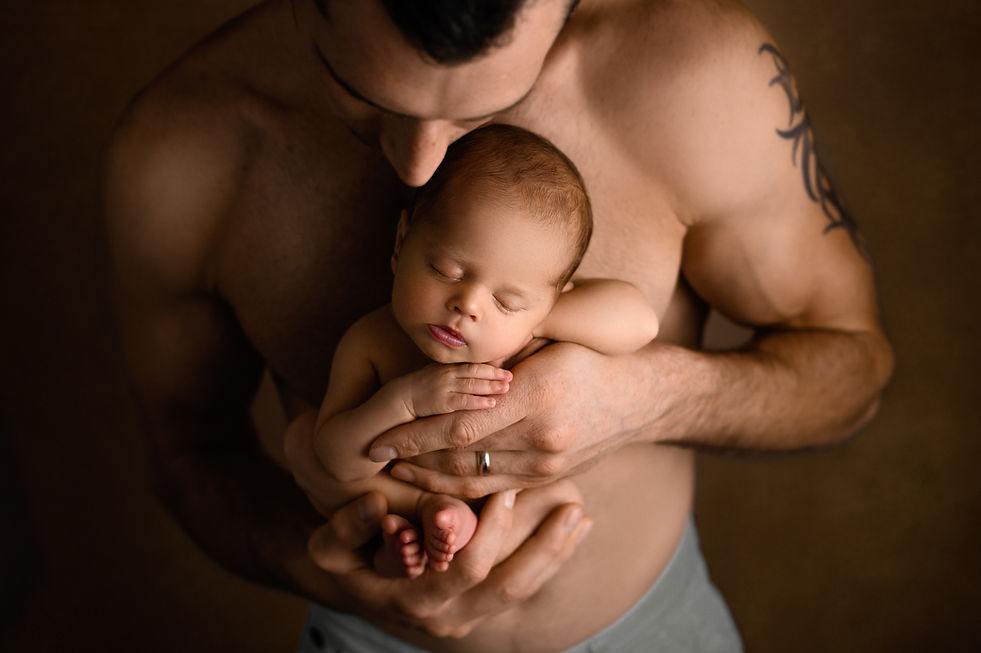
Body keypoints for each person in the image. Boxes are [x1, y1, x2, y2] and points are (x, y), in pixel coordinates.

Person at [104, 0, 894, 650]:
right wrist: (324, 566)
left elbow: (853, 368)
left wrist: (647, 399)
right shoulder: (186, 148)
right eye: (365, 96)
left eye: (486, 106)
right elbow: (187, 453)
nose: (418, 169)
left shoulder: (692, 77)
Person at [310, 124, 659, 578]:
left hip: (503, 507)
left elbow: (641, 323)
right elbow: (335, 458)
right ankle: (409, 539)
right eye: (446, 270)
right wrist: (404, 401)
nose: (469, 305)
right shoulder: (373, 341)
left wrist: (537, 319)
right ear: (401, 243)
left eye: (505, 301)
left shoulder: (528, 333)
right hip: (404, 494)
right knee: (303, 444)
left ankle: (451, 540)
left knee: (562, 500)